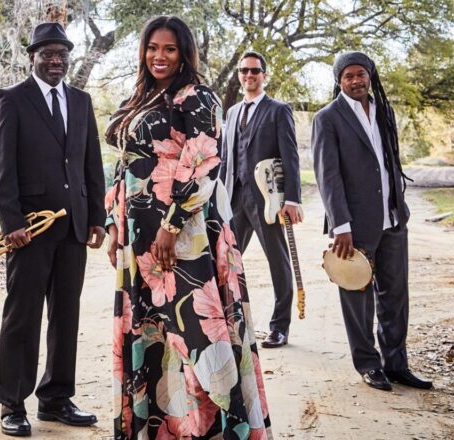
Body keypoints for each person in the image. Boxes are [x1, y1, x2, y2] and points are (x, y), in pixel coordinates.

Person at [105, 15, 271, 439]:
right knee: (152, 335)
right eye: (152, 48)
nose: (158, 56)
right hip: (137, 239)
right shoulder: (141, 95)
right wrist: (112, 225)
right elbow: (123, 164)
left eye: (169, 49)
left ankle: (219, 430)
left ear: (184, 54)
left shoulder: (198, 97)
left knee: (198, 336)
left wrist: (170, 227)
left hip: (185, 237)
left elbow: (202, 165)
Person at [0, 22, 106, 437]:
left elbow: (91, 162)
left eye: (62, 54)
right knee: (22, 317)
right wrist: (11, 223)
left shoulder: (81, 100)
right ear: (32, 57)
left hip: (74, 225)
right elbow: (0, 168)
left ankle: (55, 398)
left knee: (65, 316)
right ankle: (12, 402)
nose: (56, 61)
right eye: (47, 54)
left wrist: (98, 217)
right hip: (30, 230)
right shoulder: (11, 100)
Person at [312, 51, 432, 391]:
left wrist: (400, 207)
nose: (355, 81)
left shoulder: (384, 111)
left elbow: (390, 160)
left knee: (395, 296)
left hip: (392, 220)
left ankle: (397, 365)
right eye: (348, 76)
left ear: (370, 75)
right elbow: (328, 175)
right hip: (354, 226)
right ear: (338, 80)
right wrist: (341, 226)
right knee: (357, 296)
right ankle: (368, 364)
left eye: (360, 74)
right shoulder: (328, 118)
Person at [220, 51, 302, 348]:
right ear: (239, 75)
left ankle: (280, 327)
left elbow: (290, 157)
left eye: (255, 71)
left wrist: (292, 199)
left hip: (267, 199)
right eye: (244, 71)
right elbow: (226, 158)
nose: (249, 76)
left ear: (264, 75)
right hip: (234, 198)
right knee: (227, 261)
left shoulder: (278, 110)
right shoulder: (230, 113)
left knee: (278, 262)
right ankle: (228, 323)